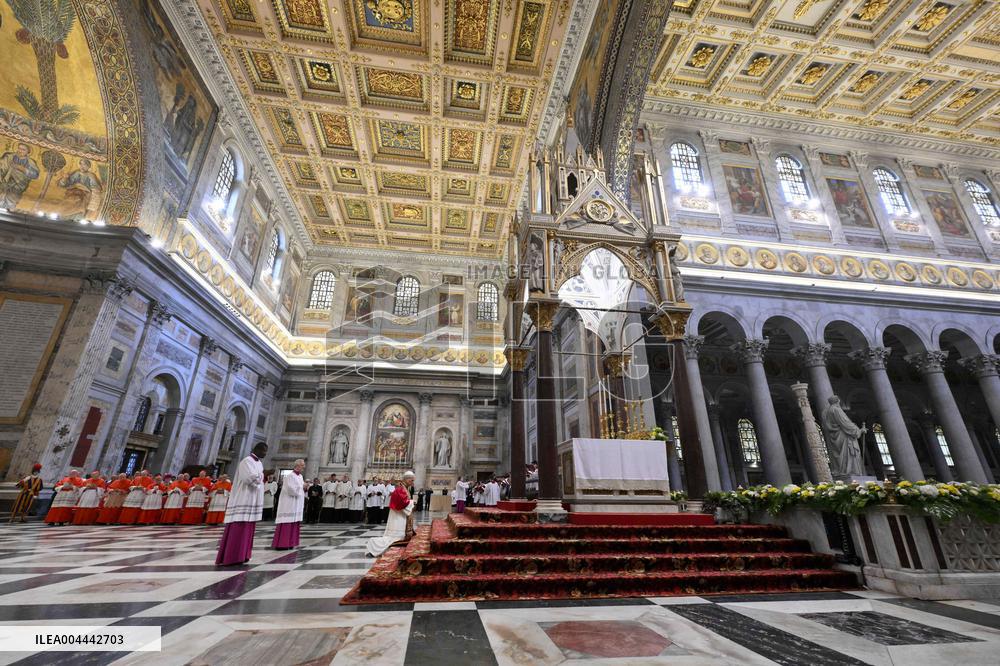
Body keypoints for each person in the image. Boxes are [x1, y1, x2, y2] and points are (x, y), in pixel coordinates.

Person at [215, 442, 267, 566]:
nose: (265, 453)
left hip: (252, 498)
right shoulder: (246, 461)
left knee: (248, 528)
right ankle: (232, 556)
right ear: (257, 449)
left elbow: (258, 478)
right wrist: (261, 477)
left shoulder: (259, 463)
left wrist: (259, 477)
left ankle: (243, 554)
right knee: (239, 527)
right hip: (243, 497)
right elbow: (248, 479)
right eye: (264, 451)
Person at [366, 471, 416, 557]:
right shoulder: (401, 489)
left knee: (398, 537)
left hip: (400, 516)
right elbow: (402, 503)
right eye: (412, 480)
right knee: (395, 537)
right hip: (398, 517)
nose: (412, 482)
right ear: (407, 479)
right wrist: (412, 502)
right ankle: (374, 544)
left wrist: (410, 502)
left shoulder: (404, 487)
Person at [272, 459, 305, 550]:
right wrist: (302, 487)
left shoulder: (300, 476)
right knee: (287, 523)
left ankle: (291, 542)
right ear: (297, 465)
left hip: (296, 503)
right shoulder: (290, 476)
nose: (304, 466)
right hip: (289, 503)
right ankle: (282, 544)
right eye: (302, 465)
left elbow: (300, 488)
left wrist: (304, 487)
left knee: (293, 523)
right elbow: (291, 490)